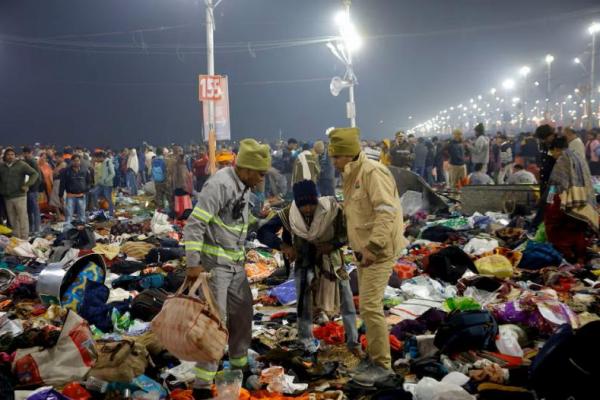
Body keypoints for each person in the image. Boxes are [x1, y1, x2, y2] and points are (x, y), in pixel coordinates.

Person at [184, 139, 271, 399]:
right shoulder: (220, 184)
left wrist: (262, 219)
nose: (261, 179)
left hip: (235, 265)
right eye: (260, 173)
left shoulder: (243, 187)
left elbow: (235, 223)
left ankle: (238, 369)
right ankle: (202, 385)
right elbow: (194, 225)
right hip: (215, 268)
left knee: (243, 316)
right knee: (215, 325)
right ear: (245, 168)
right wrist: (193, 265)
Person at [328, 127, 408, 386]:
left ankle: (382, 366)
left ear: (349, 154)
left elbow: (387, 212)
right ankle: (374, 356)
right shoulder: (353, 174)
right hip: (364, 251)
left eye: (336, 157)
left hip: (379, 250)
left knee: (370, 307)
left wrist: (373, 246)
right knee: (367, 305)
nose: (334, 162)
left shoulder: (372, 172)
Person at [256, 179, 359, 354]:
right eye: (304, 205)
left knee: (347, 301)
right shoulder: (289, 214)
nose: (308, 209)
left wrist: (332, 245)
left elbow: (349, 232)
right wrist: (284, 247)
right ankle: (306, 341)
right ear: (297, 203)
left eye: (312, 204)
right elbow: (263, 232)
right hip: (304, 262)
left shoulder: (331, 210)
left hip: (332, 262)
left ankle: (353, 342)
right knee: (304, 304)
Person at [544, 137, 598, 263]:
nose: (553, 156)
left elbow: (555, 184)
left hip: (566, 201)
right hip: (583, 201)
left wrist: (548, 202)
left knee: (559, 231)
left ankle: (565, 259)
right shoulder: (577, 156)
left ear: (557, 149)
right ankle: (579, 259)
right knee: (577, 232)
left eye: (552, 153)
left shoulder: (563, 159)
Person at [0, 148, 39, 239]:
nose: (10, 156)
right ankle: (16, 237)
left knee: (22, 217)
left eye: (12, 154)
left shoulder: (21, 165)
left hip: (19, 195)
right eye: (8, 154)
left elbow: (34, 174)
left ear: (15, 156)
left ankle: (25, 237)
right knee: (12, 218)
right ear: (5, 156)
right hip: (7, 197)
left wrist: (27, 185)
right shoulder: (1, 167)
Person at [59, 154, 92, 226]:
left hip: (81, 196)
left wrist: (85, 190)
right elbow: (62, 184)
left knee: (82, 215)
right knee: (69, 216)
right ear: (71, 161)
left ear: (80, 161)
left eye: (77, 161)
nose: (76, 162)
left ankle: (82, 233)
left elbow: (89, 182)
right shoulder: (66, 171)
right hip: (70, 196)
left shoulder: (85, 170)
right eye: (74, 161)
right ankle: (68, 231)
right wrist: (60, 195)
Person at [22, 147, 42, 234]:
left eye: (27, 153)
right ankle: (31, 228)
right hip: (29, 190)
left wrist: (33, 187)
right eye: (25, 153)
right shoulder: (26, 162)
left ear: (30, 153)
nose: (25, 155)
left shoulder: (32, 162)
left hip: (32, 190)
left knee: (34, 210)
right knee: (30, 210)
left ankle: (36, 229)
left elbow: (38, 177)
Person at [90, 151, 115, 216]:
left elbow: (113, 173)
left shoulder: (108, 162)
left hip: (107, 185)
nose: (96, 160)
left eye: (97, 158)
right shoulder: (102, 163)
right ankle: (98, 211)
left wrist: (105, 180)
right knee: (93, 193)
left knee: (108, 199)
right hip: (101, 184)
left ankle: (111, 213)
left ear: (101, 157)